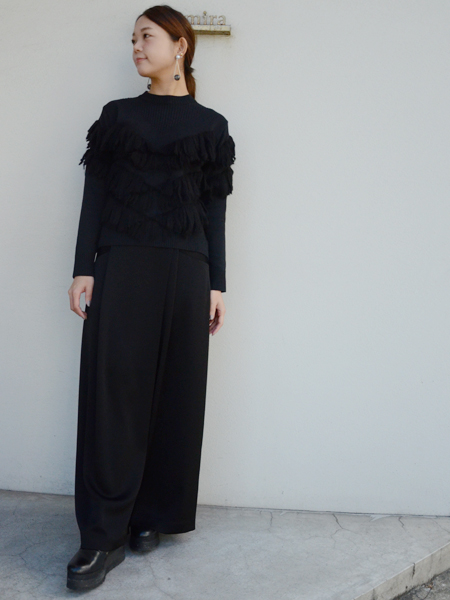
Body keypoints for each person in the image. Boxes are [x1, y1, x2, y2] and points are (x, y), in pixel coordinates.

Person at [66, 5, 235, 591]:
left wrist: (217, 283)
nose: (136, 46)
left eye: (147, 36)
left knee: (175, 393)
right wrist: (83, 267)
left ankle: (151, 515)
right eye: (133, 38)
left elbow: (214, 211)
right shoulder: (117, 116)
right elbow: (94, 195)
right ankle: (100, 535)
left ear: (180, 45)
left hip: (187, 271)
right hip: (122, 265)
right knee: (113, 393)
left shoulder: (212, 126)